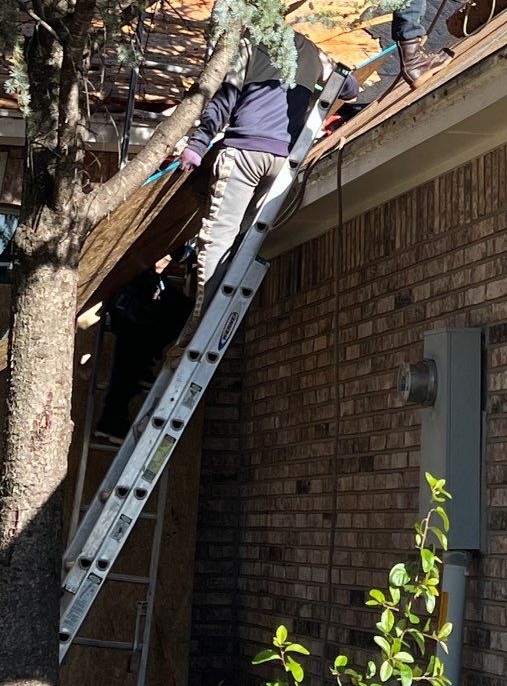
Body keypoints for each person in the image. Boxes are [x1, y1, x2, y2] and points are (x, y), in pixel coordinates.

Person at [177, 33, 359, 326]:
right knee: (244, 234)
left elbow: (224, 99)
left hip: (245, 153)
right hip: (283, 162)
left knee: (219, 236)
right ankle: (222, 311)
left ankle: (203, 321)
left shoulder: (248, 45)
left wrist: (198, 144)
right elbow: (348, 87)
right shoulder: (310, 49)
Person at [95, 249, 194, 442]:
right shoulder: (145, 265)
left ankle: (111, 422)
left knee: (128, 369)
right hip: (133, 311)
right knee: (126, 370)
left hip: (135, 310)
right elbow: (177, 252)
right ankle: (110, 424)